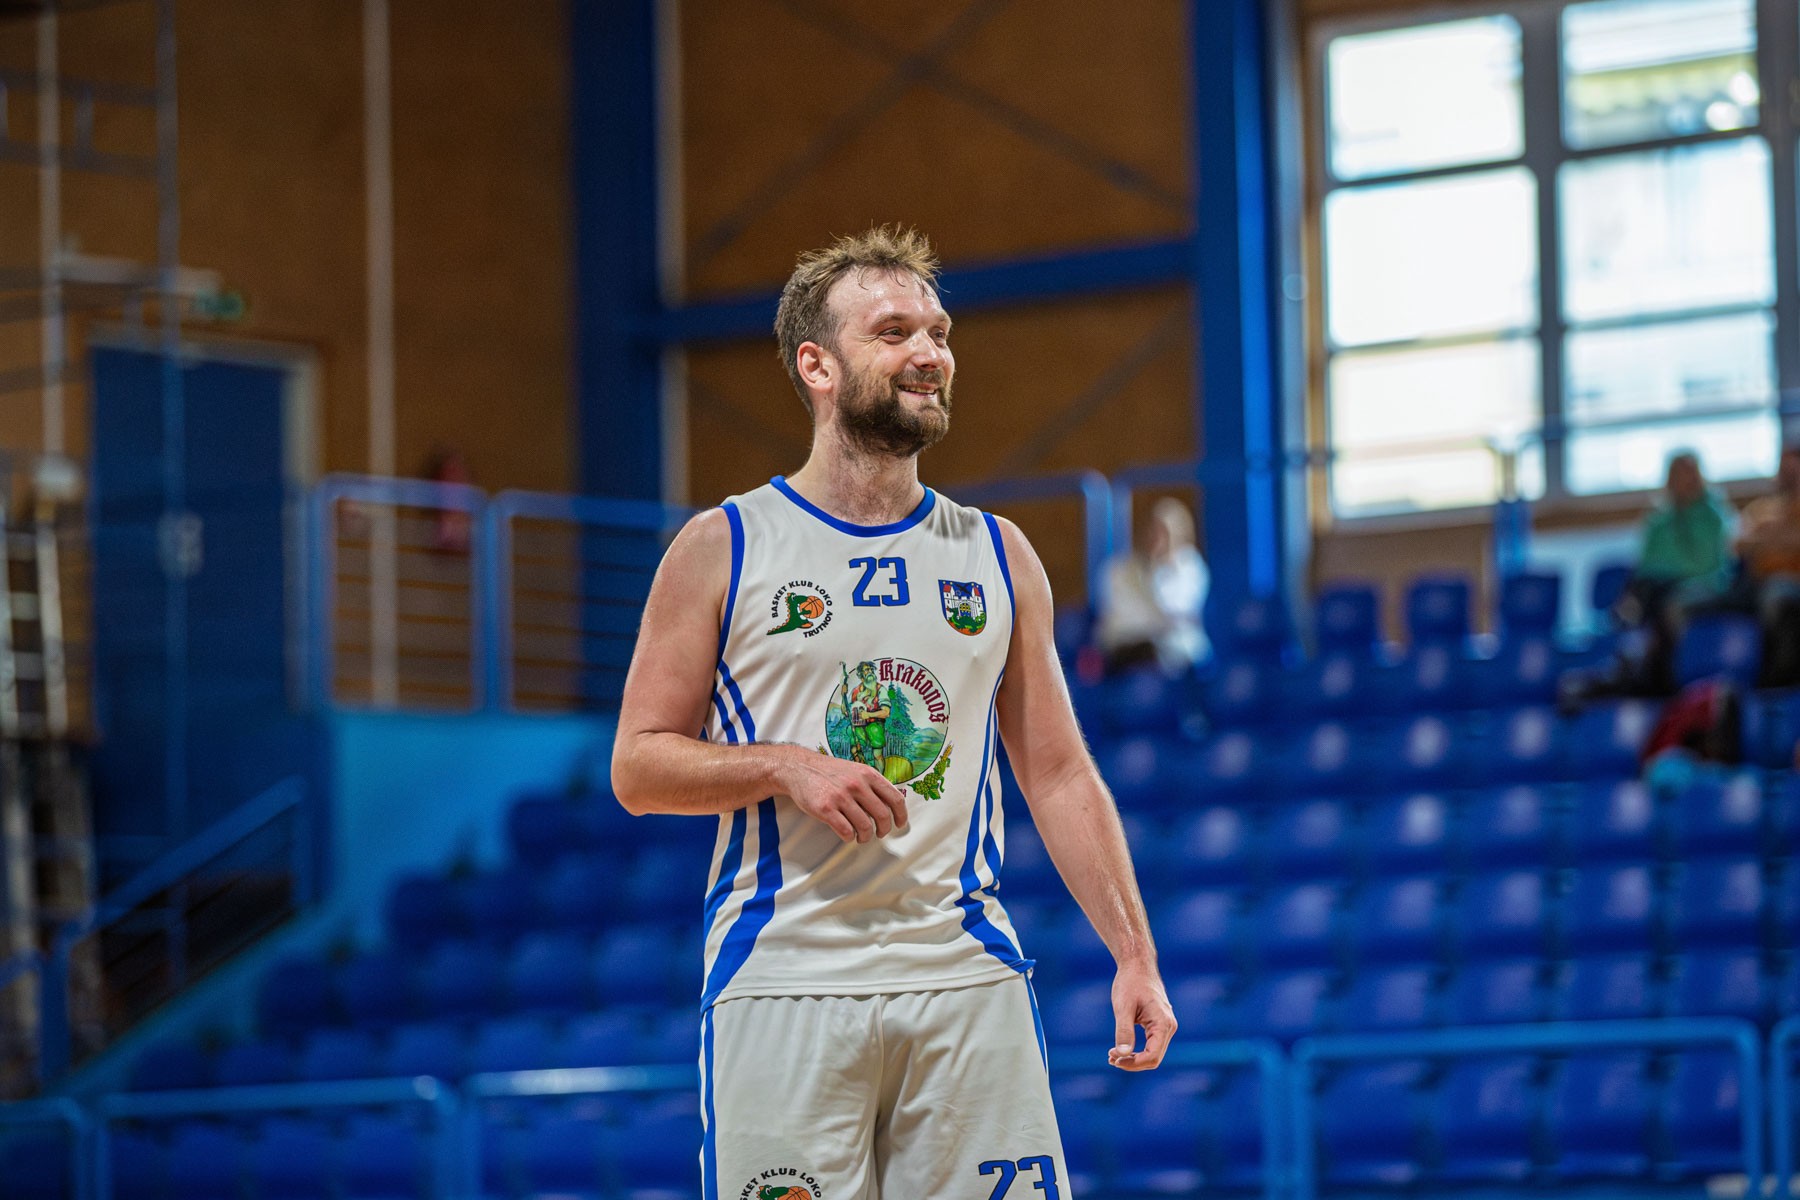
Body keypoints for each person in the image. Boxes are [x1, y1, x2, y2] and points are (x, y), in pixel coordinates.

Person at [611, 226, 1175, 1198]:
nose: (930, 353)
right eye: (894, 332)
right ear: (817, 366)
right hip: (782, 977)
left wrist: (1135, 952)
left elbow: (1058, 772)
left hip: (966, 974)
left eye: (939, 332)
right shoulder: (723, 545)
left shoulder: (998, 554)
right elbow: (638, 765)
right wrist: (787, 765)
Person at [1614, 451, 1737, 694]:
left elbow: (1706, 567)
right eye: (1681, 475)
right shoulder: (1658, 521)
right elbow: (1645, 566)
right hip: (1658, 589)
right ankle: (1641, 672)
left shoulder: (1714, 517)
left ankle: (1668, 679)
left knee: (1669, 606)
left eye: (1691, 475)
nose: (1687, 481)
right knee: (1638, 601)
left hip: (1707, 588)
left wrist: (1671, 576)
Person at [1093, 497, 1210, 676]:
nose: (1156, 537)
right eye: (1153, 529)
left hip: (1174, 652)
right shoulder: (1119, 568)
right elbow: (1115, 618)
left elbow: (1174, 614)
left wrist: (1154, 573)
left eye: (1164, 531)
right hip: (1125, 649)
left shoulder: (1190, 567)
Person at [1731, 445, 1800, 684]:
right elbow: (1737, 544)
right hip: (1753, 584)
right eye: (1783, 469)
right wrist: (1781, 538)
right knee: (1694, 602)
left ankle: (1778, 679)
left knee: (1776, 597)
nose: (1787, 475)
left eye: (1793, 470)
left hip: (1790, 583)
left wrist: (1770, 538)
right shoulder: (1761, 508)